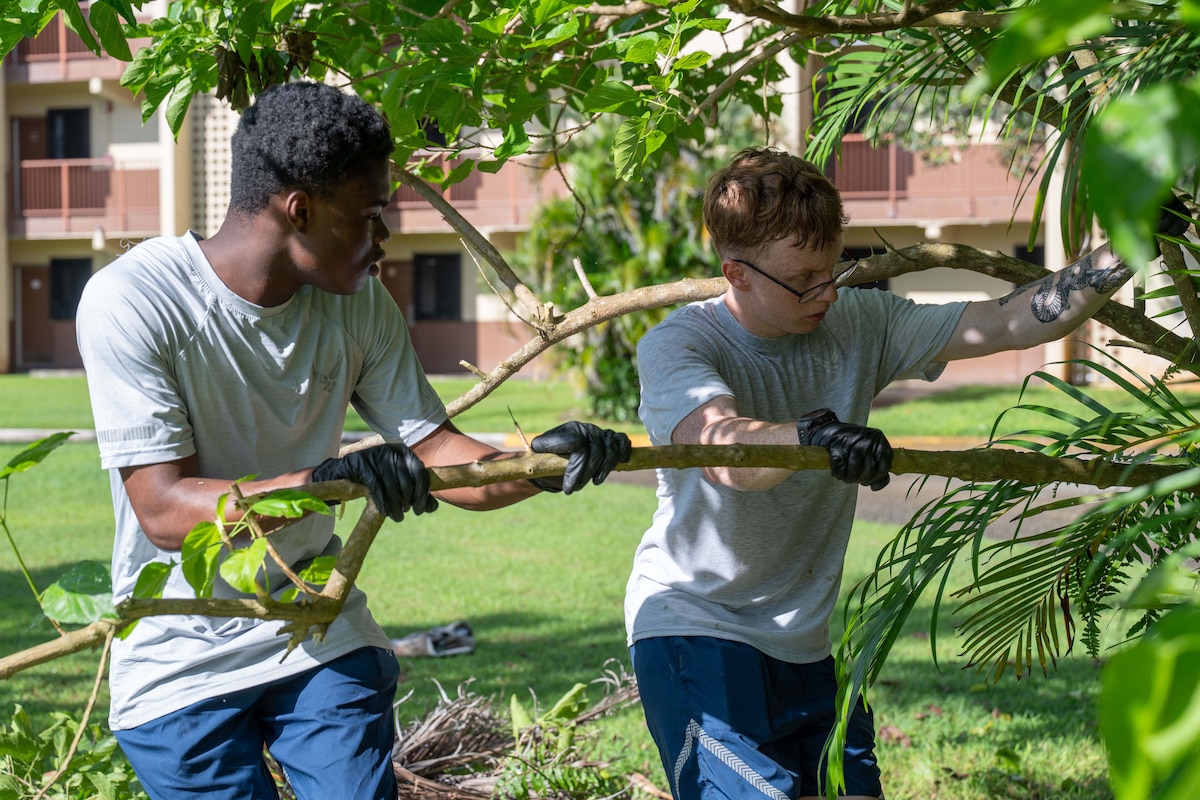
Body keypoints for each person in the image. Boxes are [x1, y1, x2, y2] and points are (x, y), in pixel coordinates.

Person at [75, 80, 631, 800]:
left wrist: (542, 463)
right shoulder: (136, 301)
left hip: (315, 626)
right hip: (179, 649)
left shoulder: (358, 304)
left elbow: (439, 455)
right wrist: (328, 481)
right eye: (370, 214)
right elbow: (165, 510)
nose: (385, 237)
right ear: (300, 210)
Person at [625, 146, 1192, 800]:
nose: (826, 291)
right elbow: (724, 452)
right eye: (803, 278)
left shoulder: (858, 320)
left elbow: (1006, 321)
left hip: (803, 639)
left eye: (832, 267)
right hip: (694, 627)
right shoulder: (681, 343)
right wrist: (814, 437)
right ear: (738, 273)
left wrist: (1125, 247)